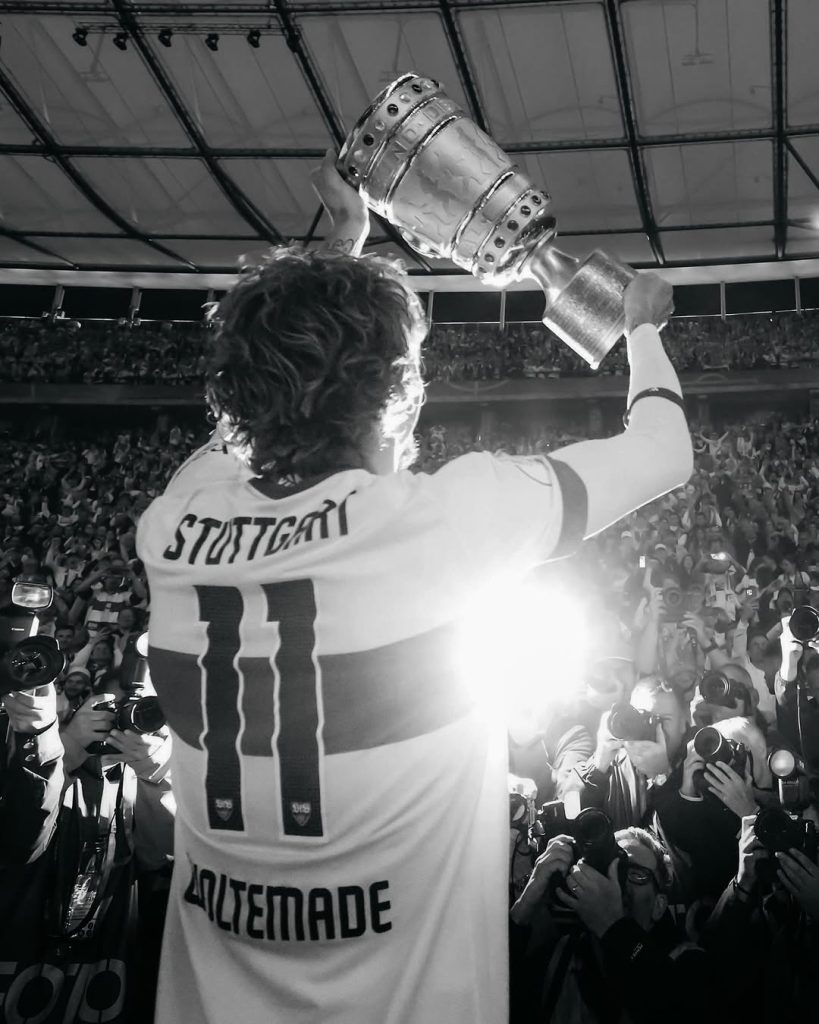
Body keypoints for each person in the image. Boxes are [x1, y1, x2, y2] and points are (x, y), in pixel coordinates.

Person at [135, 148, 692, 1024]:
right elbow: (663, 451)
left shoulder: (174, 525)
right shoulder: (445, 520)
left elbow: (250, 419)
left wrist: (341, 245)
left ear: (235, 395)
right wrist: (641, 327)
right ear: (401, 394)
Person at [509, 826, 715, 1023]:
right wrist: (524, 905)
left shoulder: (687, 962)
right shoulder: (559, 959)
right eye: (609, 867)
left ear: (659, 906)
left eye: (635, 873)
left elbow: (683, 1010)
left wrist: (613, 926)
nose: (617, 881)